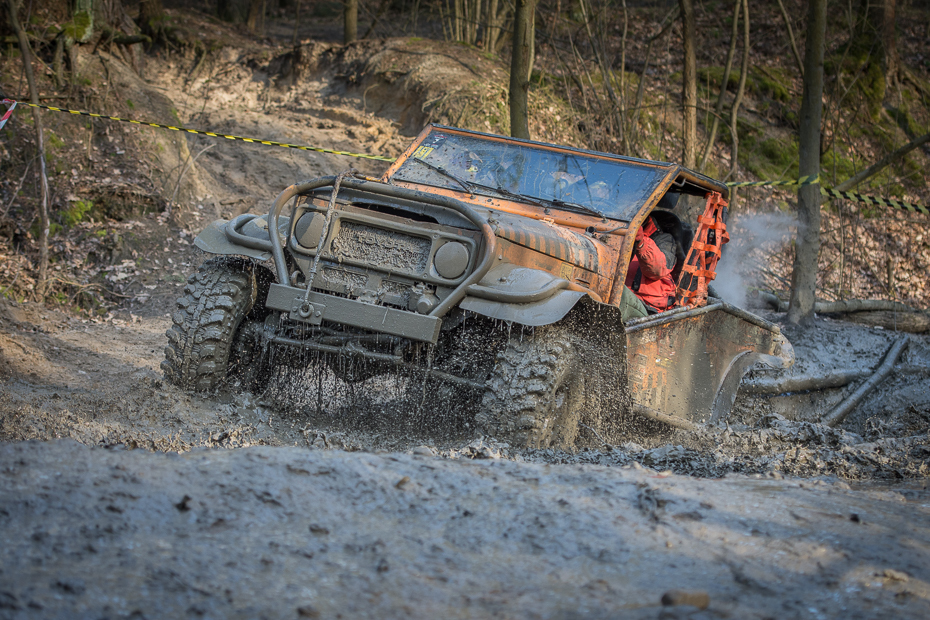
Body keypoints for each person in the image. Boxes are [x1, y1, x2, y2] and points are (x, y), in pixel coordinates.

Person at [619, 215, 677, 319]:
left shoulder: (664, 240)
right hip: (622, 297)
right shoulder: (613, 230)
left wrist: (641, 243)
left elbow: (658, 270)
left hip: (648, 308)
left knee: (619, 294)